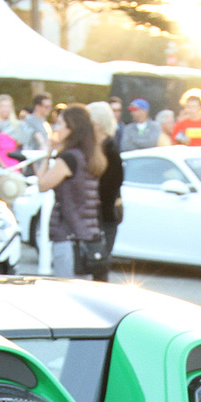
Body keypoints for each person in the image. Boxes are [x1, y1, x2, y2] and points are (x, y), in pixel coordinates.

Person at [34, 103, 106, 279]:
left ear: (70, 128)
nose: (57, 128)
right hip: (88, 233)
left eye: (60, 124)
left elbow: (42, 184)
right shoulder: (90, 155)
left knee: (65, 290)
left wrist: (48, 152)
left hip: (68, 234)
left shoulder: (68, 158)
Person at [88, 98, 124, 281]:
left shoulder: (110, 151)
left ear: (97, 125)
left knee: (99, 262)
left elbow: (111, 186)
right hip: (100, 213)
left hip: (105, 215)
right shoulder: (98, 148)